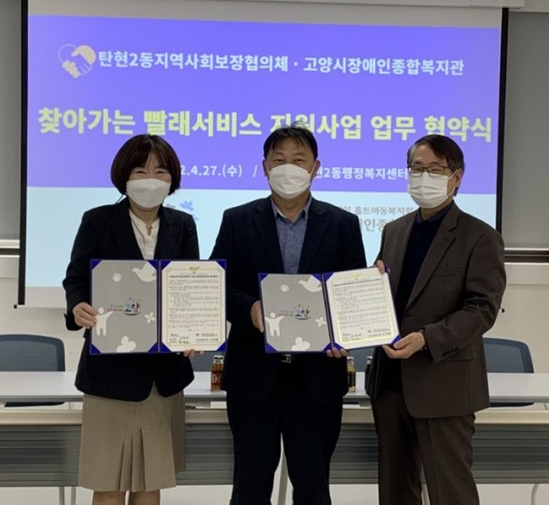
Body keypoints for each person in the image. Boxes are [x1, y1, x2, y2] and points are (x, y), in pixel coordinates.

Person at [209, 125, 366, 505]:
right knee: (249, 489)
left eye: (298, 160)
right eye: (279, 160)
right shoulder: (237, 220)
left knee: (313, 489)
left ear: (315, 167)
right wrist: (250, 307)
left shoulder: (343, 224)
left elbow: (352, 294)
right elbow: (216, 284)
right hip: (254, 376)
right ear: (265, 166)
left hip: (317, 379)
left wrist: (346, 332)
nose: (288, 168)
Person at [366, 134, 506, 505]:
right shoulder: (394, 231)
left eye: (435, 170)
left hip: (443, 383)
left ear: (456, 178)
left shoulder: (481, 237)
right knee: (396, 491)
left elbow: (482, 308)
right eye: (417, 168)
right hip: (389, 383)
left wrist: (428, 338)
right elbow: (390, 298)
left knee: (450, 492)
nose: (424, 177)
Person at [63, 134, 198, 505]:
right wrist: (78, 305)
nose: (151, 179)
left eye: (160, 171)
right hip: (110, 371)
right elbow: (76, 278)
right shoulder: (98, 220)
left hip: (162, 374)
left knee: (149, 482)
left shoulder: (183, 224)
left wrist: (193, 331)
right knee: (108, 483)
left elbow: (190, 286)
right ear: (124, 176)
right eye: (141, 170)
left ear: (172, 178)